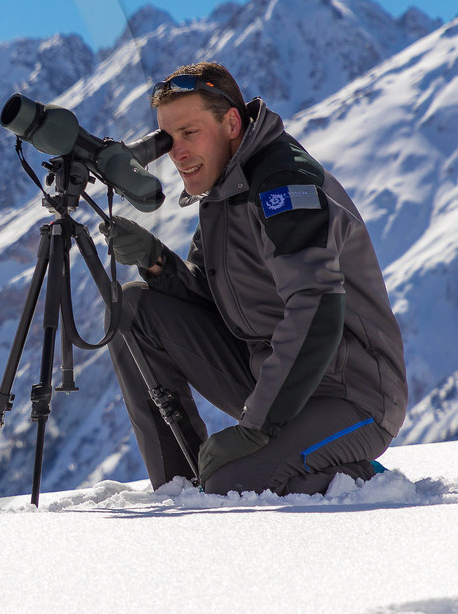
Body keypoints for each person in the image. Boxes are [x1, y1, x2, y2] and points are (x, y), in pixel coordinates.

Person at [101, 61, 408, 495]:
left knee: (236, 480)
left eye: (190, 133)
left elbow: (316, 305)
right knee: (132, 309)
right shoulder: (223, 192)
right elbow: (216, 305)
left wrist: (257, 429)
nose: (177, 153)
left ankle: (358, 480)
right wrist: (157, 263)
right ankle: (182, 490)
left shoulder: (285, 184)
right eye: (169, 139)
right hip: (274, 378)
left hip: (350, 395)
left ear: (231, 122)